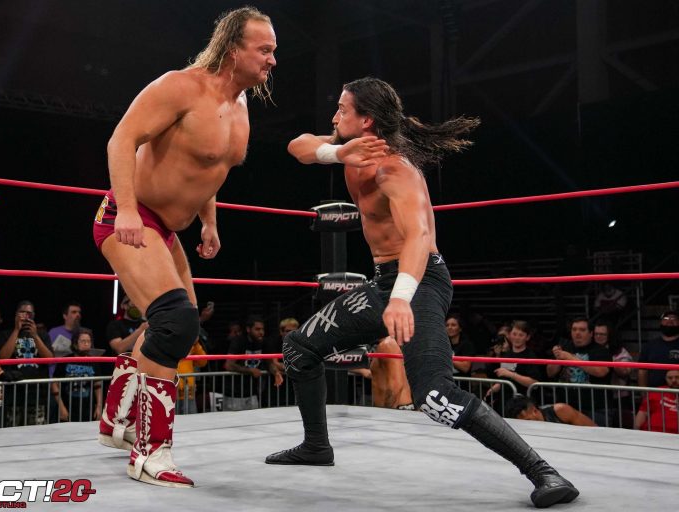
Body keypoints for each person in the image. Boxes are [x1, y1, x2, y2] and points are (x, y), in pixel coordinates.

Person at [265, 77, 577, 508]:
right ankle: (316, 446)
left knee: (434, 395)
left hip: (420, 280)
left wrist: (400, 298)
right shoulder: (348, 148)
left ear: (366, 120)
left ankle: (544, 472)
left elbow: (419, 236)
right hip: (383, 281)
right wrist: (337, 153)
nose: (334, 117)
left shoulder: (395, 170)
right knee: (299, 348)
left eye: (342, 109)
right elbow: (297, 146)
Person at [93, 6, 277, 487]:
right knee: (175, 322)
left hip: (169, 230)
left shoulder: (241, 107)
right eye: (264, 49)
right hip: (130, 216)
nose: (272, 60)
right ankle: (149, 453)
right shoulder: (180, 87)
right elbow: (121, 140)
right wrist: (127, 209)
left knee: (178, 324)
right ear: (233, 49)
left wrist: (209, 222)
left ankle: (117, 415)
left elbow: (207, 169)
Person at [634, 369, 678, 434]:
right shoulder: (657, 391)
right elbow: (643, 413)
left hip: (674, 435)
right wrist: (635, 433)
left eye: (677, 377)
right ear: (665, 379)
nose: (673, 380)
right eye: (670, 378)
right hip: (651, 433)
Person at [505, 396, 596, 427]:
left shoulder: (560, 410)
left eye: (528, 420)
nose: (526, 425)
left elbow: (592, 428)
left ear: (535, 410)